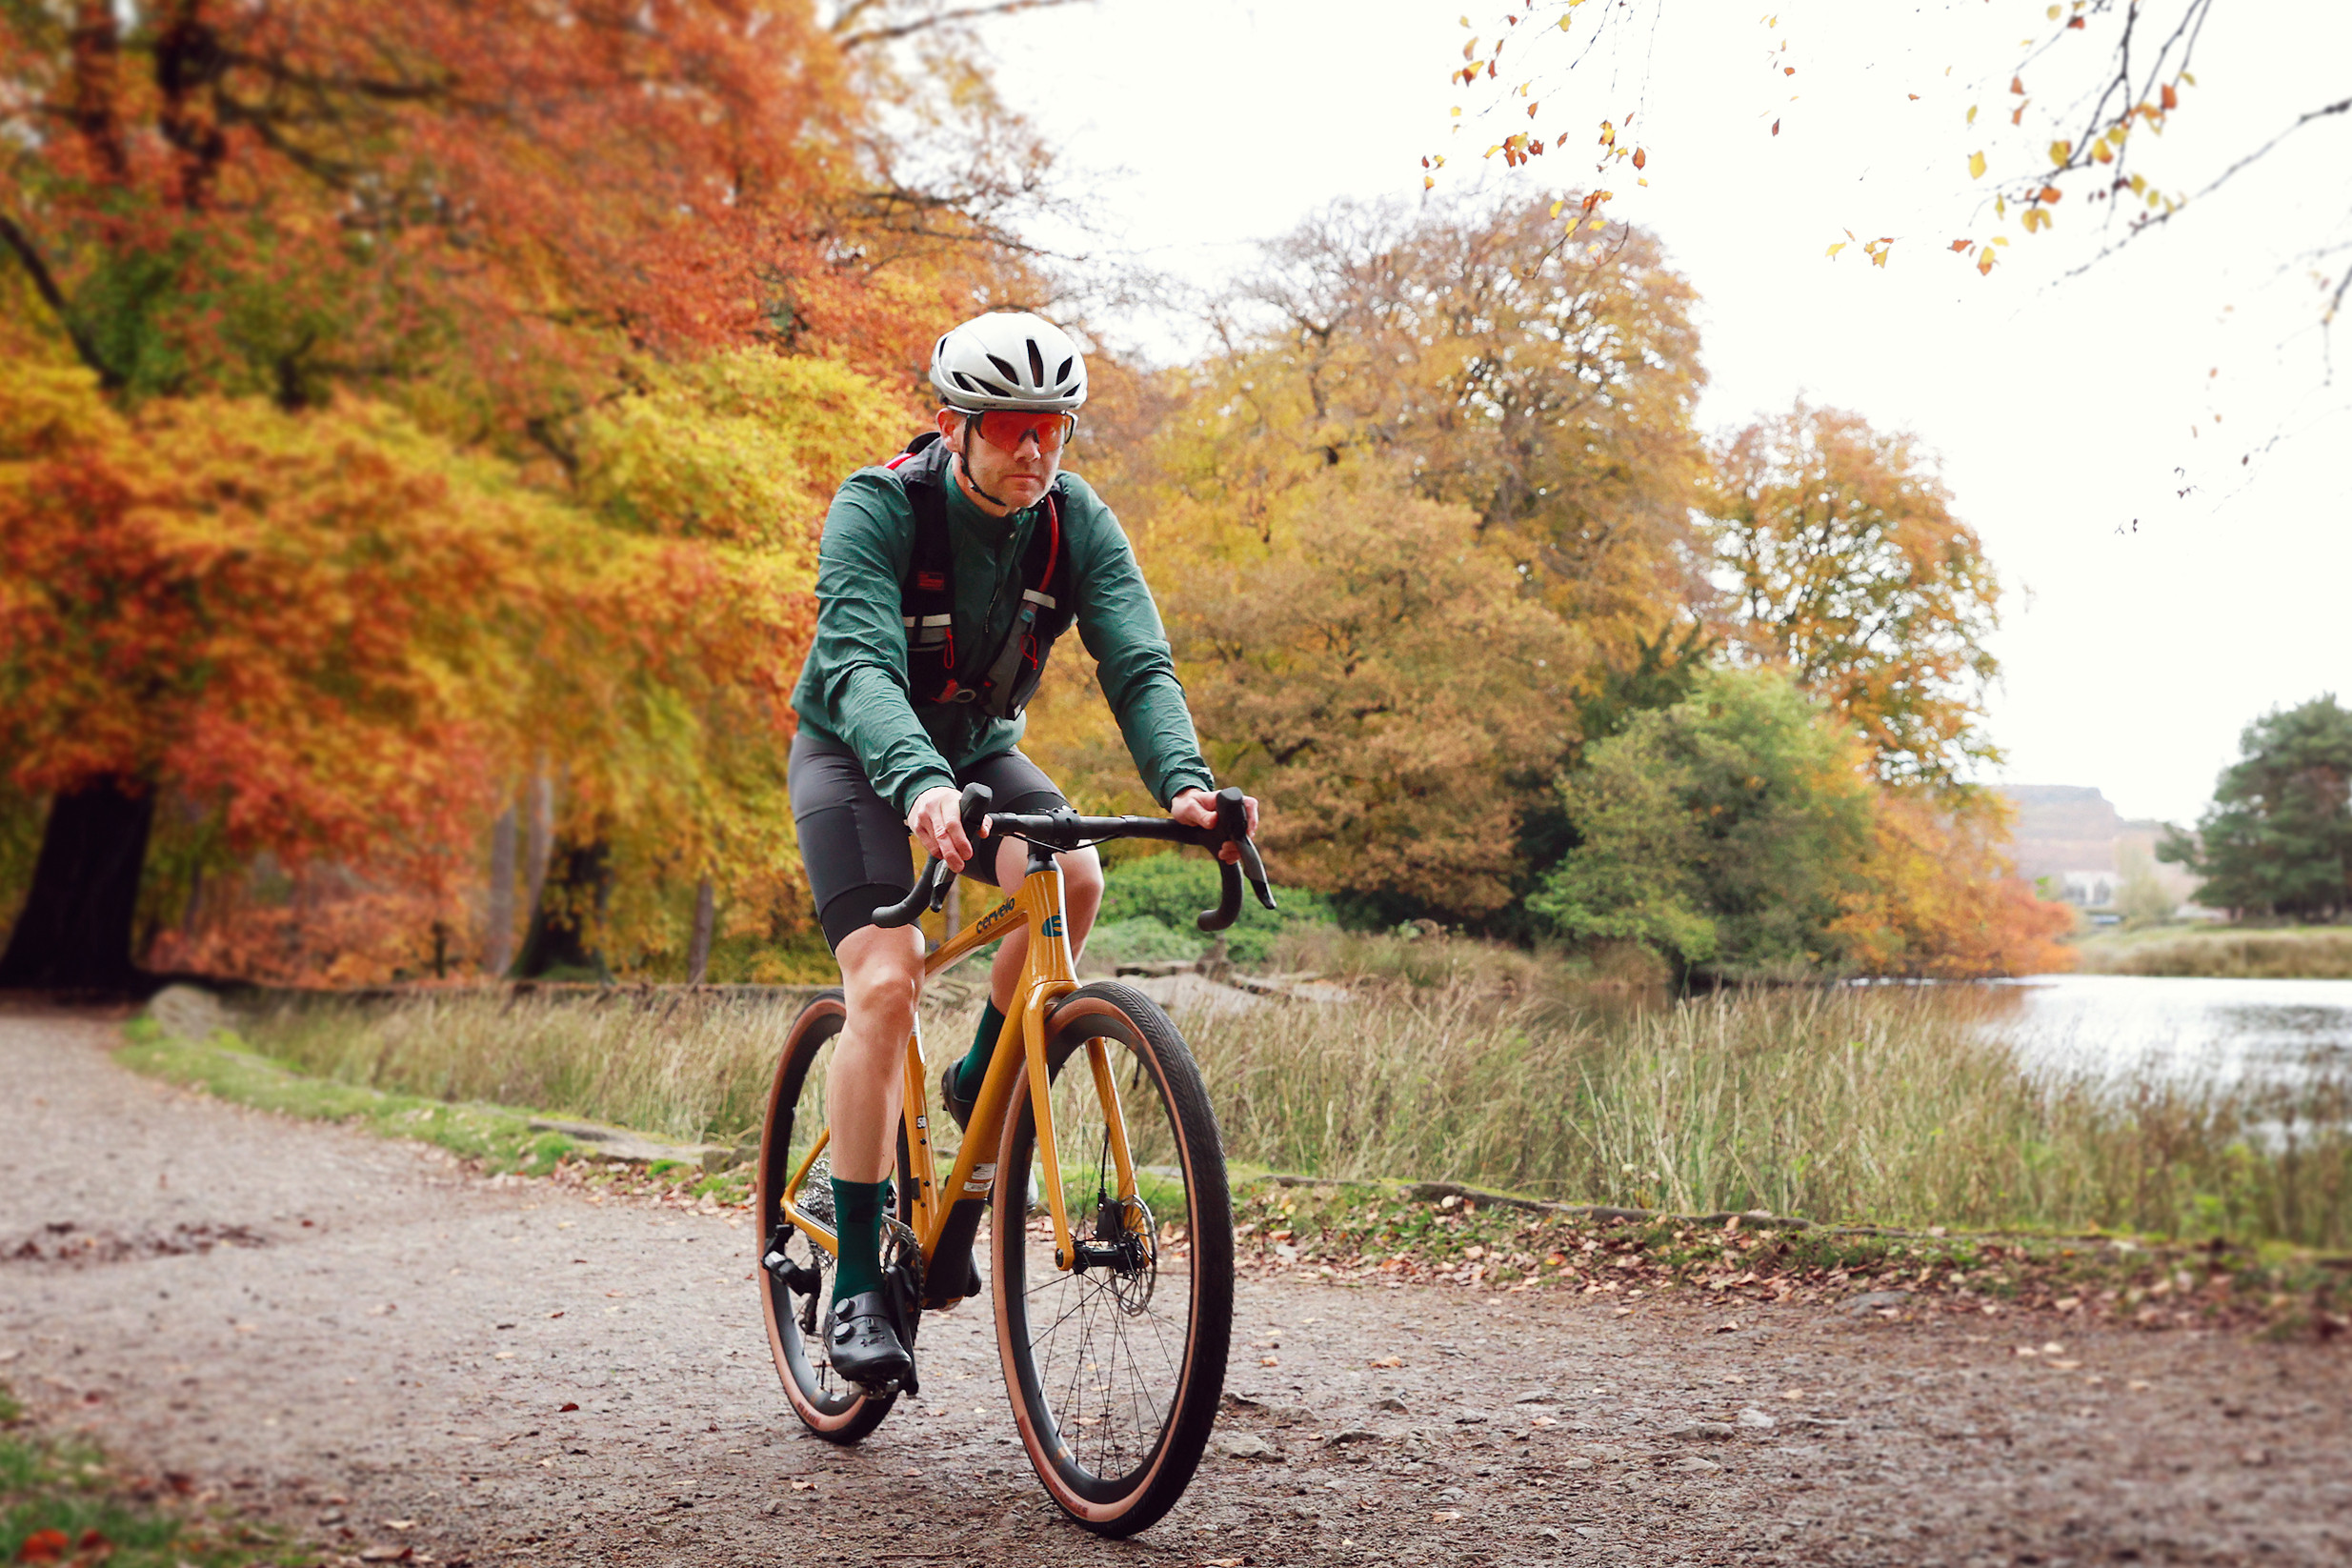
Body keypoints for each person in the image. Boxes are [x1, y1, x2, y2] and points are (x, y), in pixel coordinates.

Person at [786, 310, 1258, 1391]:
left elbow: (1137, 661)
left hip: (978, 752)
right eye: (1009, 427)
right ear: (954, 424)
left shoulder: (1074, 520)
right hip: (856, 757)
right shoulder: (878, 507)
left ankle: (974, 1083)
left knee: (1075, 877)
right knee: (888, 980)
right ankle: (856, 1279)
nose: (1035, 449)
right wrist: (918, 785)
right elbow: (857, 667)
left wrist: (1184, 783)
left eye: (1053, 427)